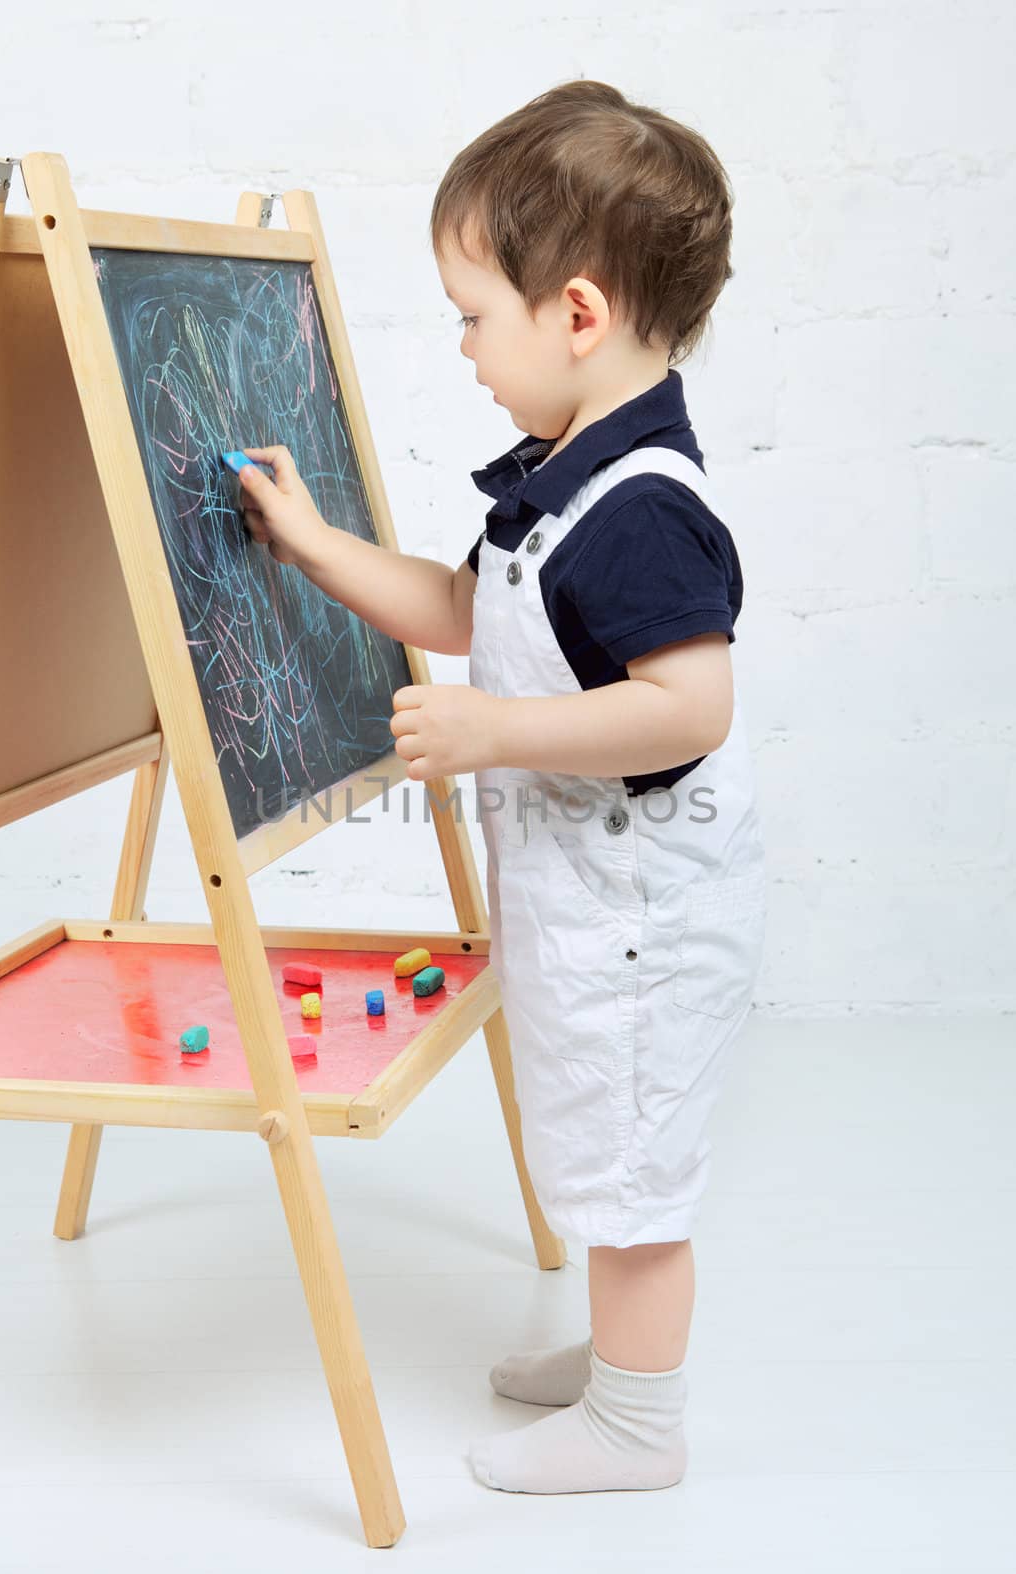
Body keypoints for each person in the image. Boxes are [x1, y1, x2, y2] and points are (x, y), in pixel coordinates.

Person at [236, 78, 768, 1497]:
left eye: (476, 315)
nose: (464, 347)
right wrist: (310, 542)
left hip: (644, 908)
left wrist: (491, 734)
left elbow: (691, 704)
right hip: (592, 900)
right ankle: (617, 1363)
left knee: (633, 1166)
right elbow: (462, 608)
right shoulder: (562, 480)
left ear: (577, 315)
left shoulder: (645, 505)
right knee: (596, 1126)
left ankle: (638, 1426)